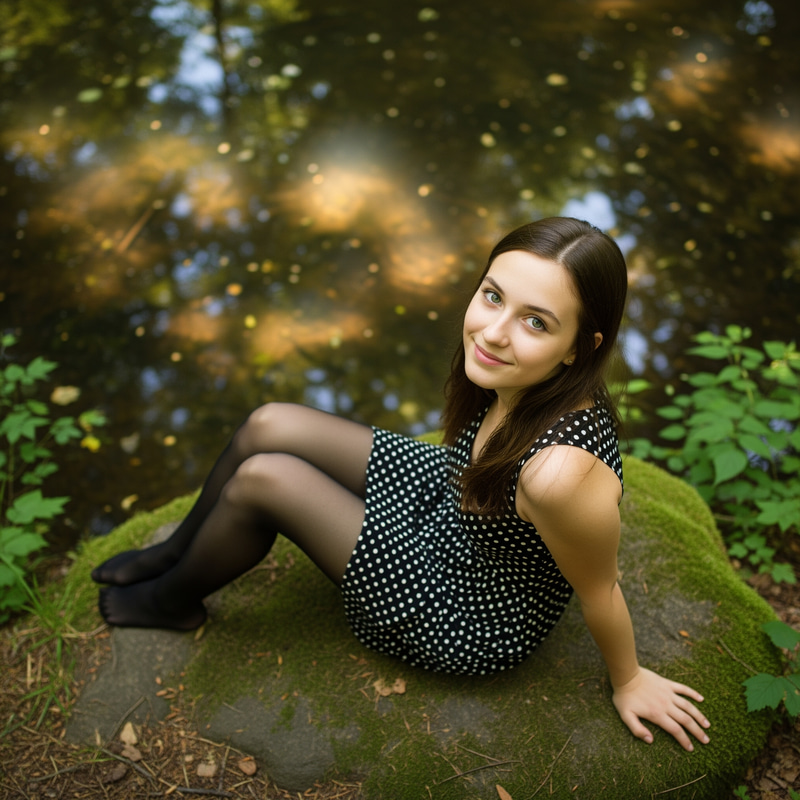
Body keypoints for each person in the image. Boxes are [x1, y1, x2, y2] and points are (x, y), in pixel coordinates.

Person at [92, 217, 711, 752]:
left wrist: (628, 679)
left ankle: (170, 602)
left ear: (582, 345)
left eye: (537, 322)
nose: (495, 332)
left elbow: (600, 587)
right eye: (493, 297)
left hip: (468, 608)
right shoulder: (523, 379)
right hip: (458, 499)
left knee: (264, 480)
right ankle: (175, 552)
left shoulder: (558, 476)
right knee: (268, 423)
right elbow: (473, 461)